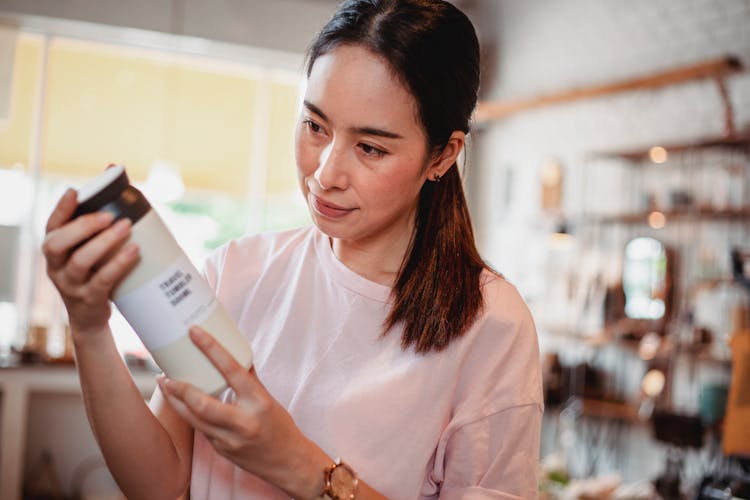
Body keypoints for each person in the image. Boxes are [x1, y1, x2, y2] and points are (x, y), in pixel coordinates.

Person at [42, 0, 543, 498]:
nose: (325, 174)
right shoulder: (237, 270)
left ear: (443, 155)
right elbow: (158, 484)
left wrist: (298, 464)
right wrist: (89, 328)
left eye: (370, 148)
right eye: (314, 126)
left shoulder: (490, 324)